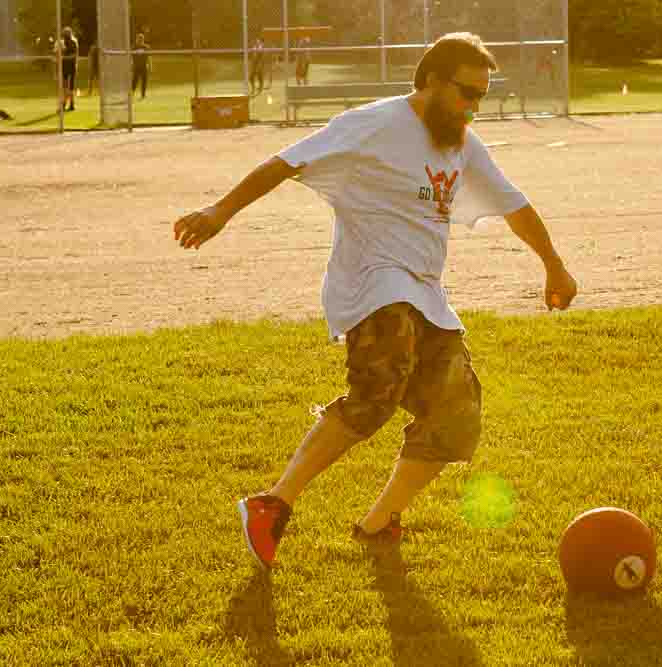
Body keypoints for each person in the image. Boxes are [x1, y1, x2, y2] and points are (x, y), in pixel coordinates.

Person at [171, 32, 578, 570]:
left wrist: (553, 262)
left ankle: (378, 522)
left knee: (457, 414)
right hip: (375, 282)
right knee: (377, 390)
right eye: (465, 93)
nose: (473, 108)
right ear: (431, 79)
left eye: (481, 96)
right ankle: (272, 504)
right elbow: (284, 162)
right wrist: (219, 212)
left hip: (425, 293)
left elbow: (515, 205)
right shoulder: (374, 123)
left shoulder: (461, 141)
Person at [59, 27, 78, 112]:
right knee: (65, 86)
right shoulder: (63, 42)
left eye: (67, 33)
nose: (66, 35)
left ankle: (69, 104)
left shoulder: (73, 42)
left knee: (70, 87)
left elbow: (74, 55)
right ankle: (68, 104)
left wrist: (64, 57)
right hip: (65, 66)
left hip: (71, 66)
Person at [131, 33, 151, 100]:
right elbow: (131, 57)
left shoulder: (146, 47)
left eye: (141, 39)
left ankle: (143, 95)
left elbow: (148, 57)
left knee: (144, 81)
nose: (139, 41)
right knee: (134, 81)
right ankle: (132, 93)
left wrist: (150, 65)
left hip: (143, 66)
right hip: (136, 67)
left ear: (143, 40)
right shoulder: (134, 47)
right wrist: (131, 65)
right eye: (138, 39)